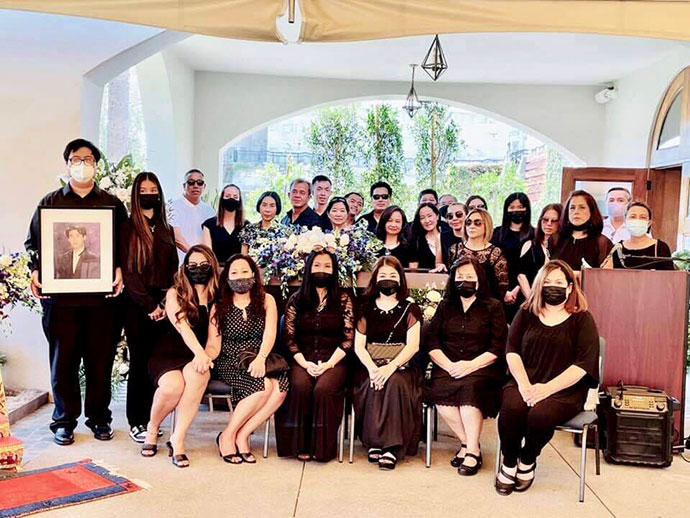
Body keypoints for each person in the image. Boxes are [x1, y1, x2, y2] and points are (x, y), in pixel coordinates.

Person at [25, 138, 127, 445]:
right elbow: (33, 244)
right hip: (60, 302)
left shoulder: (112, 204)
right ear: (67, 164)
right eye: (76, 159)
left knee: (100, 362)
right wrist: (35, 270)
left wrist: (120, 269)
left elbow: (125, 245)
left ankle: (99, 418)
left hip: (102, 303)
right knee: (63, 363)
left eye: (88, 159)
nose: (82, 164)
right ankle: (64, 421)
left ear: (97, 165)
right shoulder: (50, 202)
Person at [495, 260, 599, 495]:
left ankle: (527, 459)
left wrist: (546, 389)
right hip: (524, 381)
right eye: (548, 282)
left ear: (570, 288)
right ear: (539, 286)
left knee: (540, 415)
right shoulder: (526, 312)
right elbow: (511, 350)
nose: (553, 287)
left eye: (559, 282)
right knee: (512, 408)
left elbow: (583, 365)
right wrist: (525, 386)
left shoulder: (582, 319)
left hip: (565, 389)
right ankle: (509, 462)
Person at [425, 257, 507, 476]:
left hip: (482, 367)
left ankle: (470, 452)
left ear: (480, 279)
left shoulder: (493, 306)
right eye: (460, 277)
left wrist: (470, 366)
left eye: (470, 276)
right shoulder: (445, 306)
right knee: (439, 393)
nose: (464, 281)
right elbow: (431, 341)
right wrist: (449, 365)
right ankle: (470, 445)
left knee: (469, 390)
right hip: (448, 366)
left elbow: (498, 346)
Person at [144, 245, 221, 467]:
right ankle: (153, 428)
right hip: (168, 353)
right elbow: (183, 328)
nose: (198, 269)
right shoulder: (174, 293)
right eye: (193, 265)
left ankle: (177, 439)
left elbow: (214, 341)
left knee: (198, 375)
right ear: (185, 268)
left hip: (198, 355)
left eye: (204, 265)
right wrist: (199, 353)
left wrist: (205, 357)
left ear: (212, 266)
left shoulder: (218, 299)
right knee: (172, 387)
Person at [275, 251, 354, 462]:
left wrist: (329, 364)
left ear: (334, 270)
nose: (322, 270)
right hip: (302, 358)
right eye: (317, 265)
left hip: (334, 360)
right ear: (309, 268)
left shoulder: (343, 299)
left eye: (327, 266)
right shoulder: (296, 299)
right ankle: (299, 445)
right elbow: (289, 337)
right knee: (300, 385)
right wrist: (304, 363)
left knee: (323, 389)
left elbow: (348, 338)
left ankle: (322, 448)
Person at [121, 172, 179, 443]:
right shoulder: (128, 228)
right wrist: (150, 305)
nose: (148, 194)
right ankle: (137, 420)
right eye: (143, 190)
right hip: (138, 305)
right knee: (139, 363)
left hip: (164, 304)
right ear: (136, 194)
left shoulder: (165, 228)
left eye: (153, 189)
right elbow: (130, 273)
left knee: (157, 363)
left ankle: (153, 419)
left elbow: (174, 268)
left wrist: (167, 300)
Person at [214, 254, 289, 464]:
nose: (240, 277)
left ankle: (242, 434)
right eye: (234, 273)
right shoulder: (220, 305)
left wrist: (261, 358)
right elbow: (213, 343)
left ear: (254, 275)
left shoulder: (266, 300)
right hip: (230, 358)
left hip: (259, 355)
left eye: (245, 271)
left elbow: (270, 333)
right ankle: (227, 435)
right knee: (262, 386)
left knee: (281, 387)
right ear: (227, 278)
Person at [353, 257, 423, 470]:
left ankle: (392, 447)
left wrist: (390, 367)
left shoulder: (410, 309)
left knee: (394, 383)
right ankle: (374, 442)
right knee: (372, 383)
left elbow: (413, 346)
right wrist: (373, 369)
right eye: (383, 275)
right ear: (375, 279)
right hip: (370, 365)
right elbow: (359, 346)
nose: (388, 279)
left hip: (401, 366)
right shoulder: (364, 307)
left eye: (393, 275)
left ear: (401, 279)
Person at [491, 193, 535, 322]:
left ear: (527, 209)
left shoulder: (534, 234)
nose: (516, 210)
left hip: (525, 290)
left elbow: (532, 267)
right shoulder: (497, 233)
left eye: (520, 207)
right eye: (512, 207)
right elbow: (492, 263)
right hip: (498, 291)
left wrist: (516, 289)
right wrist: (504, 291)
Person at [447, 208, 509, 300]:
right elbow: (451, 280)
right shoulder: (454, 250)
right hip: (458, 302)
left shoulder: (495, 253)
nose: (472, 226)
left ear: (486, 225)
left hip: (487, 303)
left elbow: (502, 286)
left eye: (477, 223)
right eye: (468, 222)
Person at [549, 190, 613, 272]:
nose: (576, 212)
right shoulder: (555, 239)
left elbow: (606, 276)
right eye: (572, 208)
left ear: (591, 211)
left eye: (582, 207)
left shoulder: (602, 242)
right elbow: (546, 271)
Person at [168, 169, 215, 263]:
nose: (195, 186)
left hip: (204, 263)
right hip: (180, 262)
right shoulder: (172, 208)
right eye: (191, 182)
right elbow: (176, 237)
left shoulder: (210, 211)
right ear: (184, 185)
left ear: (204, 186)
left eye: (199, 183)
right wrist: (193, 255)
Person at [612, 201, 674, 270]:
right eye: (633, 217)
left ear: (649, 223)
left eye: (642, 217)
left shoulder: (660, 248)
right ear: (625, 221)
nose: (637, 220)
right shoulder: (617, 249)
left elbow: (668, 275)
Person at [517, 203, 562, 298]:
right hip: (530, 296)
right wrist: (531, 299)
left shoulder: (564, 247)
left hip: (555, 296)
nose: (549, 224)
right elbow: (521, 275)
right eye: (545, 220)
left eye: (554, 221)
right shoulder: (530, 244)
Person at [202, 184, 246, 266]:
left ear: (240, 200)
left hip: (238, 269)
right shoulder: (209, 225)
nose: (231, 199)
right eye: (227, 196)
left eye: (235, 197)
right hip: (216, 269)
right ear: (222, 199)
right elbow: (208, 253)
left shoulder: (246, 226)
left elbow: (245, 255)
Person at [239, 191, 286, 255]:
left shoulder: (284, 232)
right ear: (259, 206)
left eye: (272, 206)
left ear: (277, 208)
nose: (267, 210)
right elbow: (243, 256)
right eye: (264, 205)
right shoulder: (249, 229)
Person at [408, 203, 448, 272]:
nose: (427, 220)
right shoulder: (416, 241)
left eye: (429, 216)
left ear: (437, 216)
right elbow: (413, 270)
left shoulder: (448, 237)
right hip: (424, 278)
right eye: (422, 218)